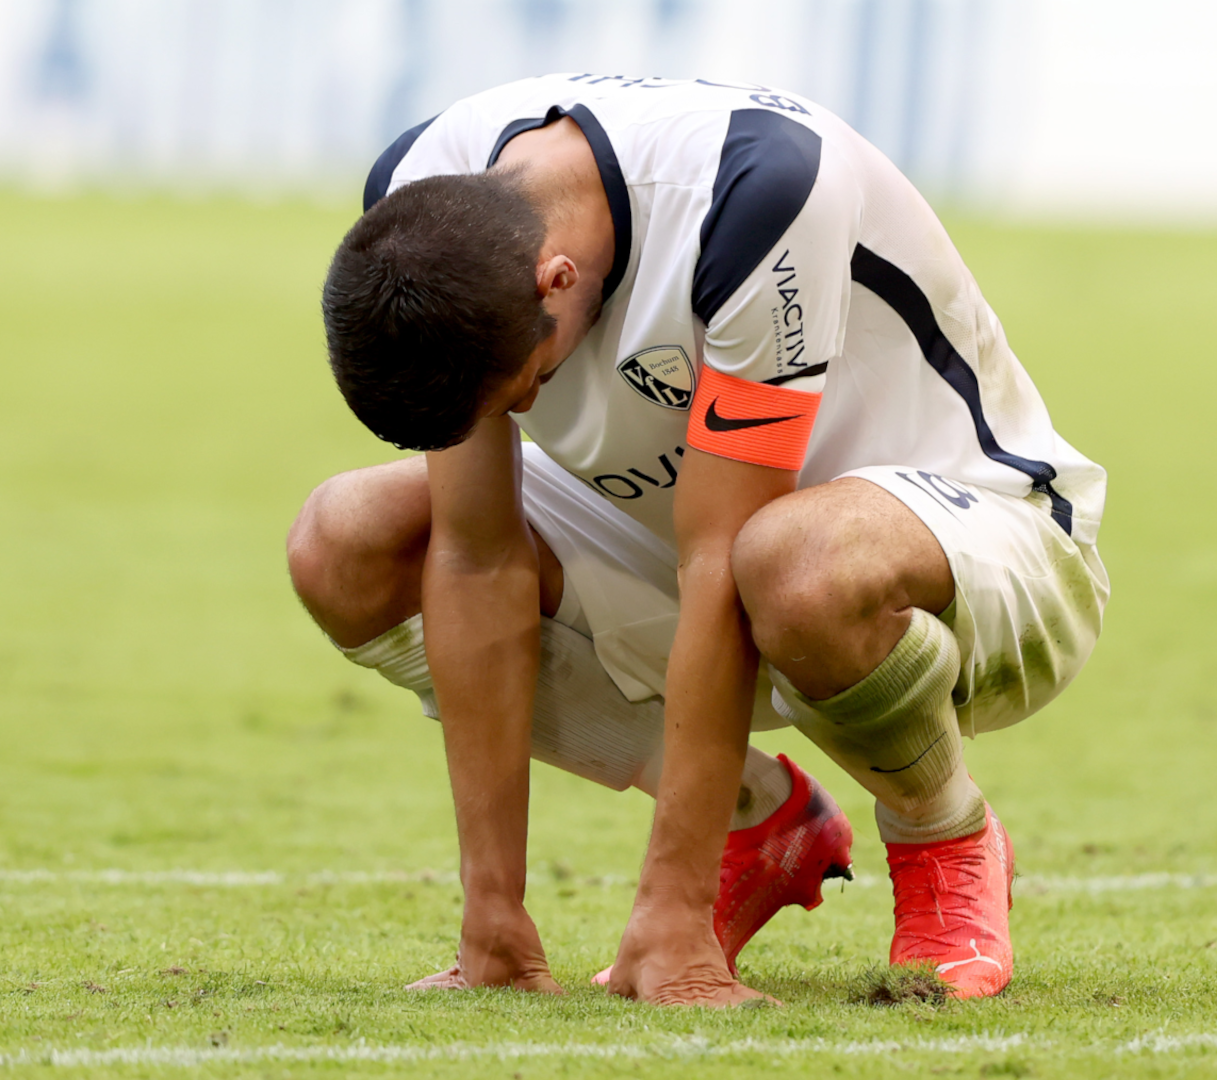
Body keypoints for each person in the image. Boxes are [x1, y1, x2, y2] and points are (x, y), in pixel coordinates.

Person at [287, 74, 1108, 1006]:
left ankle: (943, 832)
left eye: (527, 386)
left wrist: (674, 917)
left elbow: (719, 557)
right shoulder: (426, 203)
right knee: (346, 542)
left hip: (988, 538)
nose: (527, 409)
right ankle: (759, 819)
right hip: (697, 542)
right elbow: (477, 557)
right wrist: (492, 913)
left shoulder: (755, 191)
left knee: (788, 561)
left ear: (556, 280)